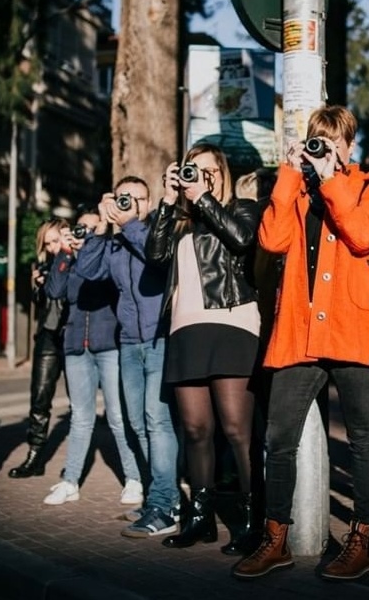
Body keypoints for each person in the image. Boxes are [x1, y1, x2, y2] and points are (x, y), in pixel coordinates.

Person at [233, 105, 369, 582]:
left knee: (365, 438)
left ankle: (361, 540)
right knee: (278, 438)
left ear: (349, 145)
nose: (325, 148)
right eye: (317, 140)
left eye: (334, 141)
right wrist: (287, 173)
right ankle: (276, 538)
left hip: (354, 329)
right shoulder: (296, 189)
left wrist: (331, 179)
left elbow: (366, 236)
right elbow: (272, 240)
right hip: (300, 333)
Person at [145, 144, 262, 551]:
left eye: (209, 172)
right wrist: (166, 201)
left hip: (232, 323)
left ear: (222, 175)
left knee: (236, 430)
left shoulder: (243, 208)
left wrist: (204, 199)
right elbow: (155, 256)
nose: (201, 178)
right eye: (194, 172)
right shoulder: (178, 220)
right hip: (185, 330)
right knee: (195, 430)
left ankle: (252, 520)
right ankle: (201, 519)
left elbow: (242, 241)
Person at [74, 176, 179, 538]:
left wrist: (129, 224)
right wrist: (102, 228)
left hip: (159, 339)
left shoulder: (155, 232)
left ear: (147, 203)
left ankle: (166, 504)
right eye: (122, 198)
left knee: (157, 421)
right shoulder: (115, 240)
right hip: (129, 342)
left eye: (135, 199)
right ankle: (160, 496)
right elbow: (87, 270)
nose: (128, 204)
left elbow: (156, 256)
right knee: (137, 422)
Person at [42, 209, 143, 508]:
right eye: (80, 227)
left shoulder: (109, 252)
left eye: (90, 227)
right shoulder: (69, 260)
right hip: (75, 345)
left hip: (108, 342)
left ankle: (134, 478)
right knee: (81, 417)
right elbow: (55, 290)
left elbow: (111, 281)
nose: (83, 232)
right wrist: (65, 254)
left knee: (117, 416)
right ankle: (70, 480)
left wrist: (93, 247)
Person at [8, 217, 71, 478]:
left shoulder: (74, 258)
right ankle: (34, 456)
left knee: (81, 402)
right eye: (48, 243)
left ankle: (76, 462)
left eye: (57, 240)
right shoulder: (44, 265)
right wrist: (37, 285)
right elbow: (41, 303)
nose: (54, 247)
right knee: (40, 397)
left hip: (74, 333)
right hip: (47, 334)